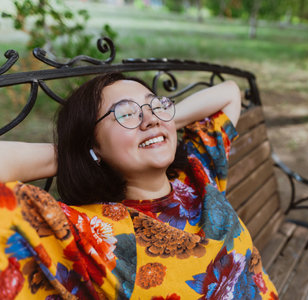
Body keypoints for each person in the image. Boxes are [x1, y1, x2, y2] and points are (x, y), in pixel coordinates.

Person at [0, 73, 278, 299]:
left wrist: (164, 123)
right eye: (125, 114)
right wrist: (77, 155)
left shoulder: (196, 173)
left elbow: (229, 93)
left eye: (155, 105)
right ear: (93, 143)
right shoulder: (95, 234)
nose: (150, 118)